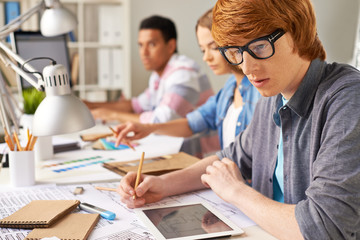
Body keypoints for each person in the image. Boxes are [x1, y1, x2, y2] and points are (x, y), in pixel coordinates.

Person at [116, 0, 360, 239]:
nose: (246, 67)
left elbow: (324, 227)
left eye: (260, 46)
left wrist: (236, 192)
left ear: (297, 32)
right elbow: (231, 158)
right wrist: (161, 184)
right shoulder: (272, 94)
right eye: (235, 52)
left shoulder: (348, 98)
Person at [113, 9, 260, 153]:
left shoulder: (260, 92)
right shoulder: (229, 88)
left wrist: (114, 115)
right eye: (203, 50)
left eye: (214, 48)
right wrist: (148, 128)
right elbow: (192, 123)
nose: (206, 58)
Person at [84, 15, 213, 124]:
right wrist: (90, 105)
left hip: (197, 153)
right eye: (140, 45)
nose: (143, 52)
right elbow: (136, 105)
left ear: (171, 46)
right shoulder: (158, 75)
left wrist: (111, 115)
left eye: (151, 44)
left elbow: (161, 121)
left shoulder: (184, 73)